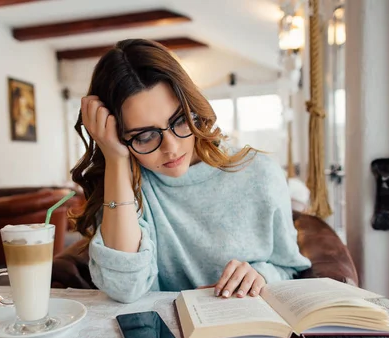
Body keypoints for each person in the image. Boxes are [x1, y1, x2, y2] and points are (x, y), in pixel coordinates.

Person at [71, 39, 311, 304]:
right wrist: (115, 159)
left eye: (180, 120)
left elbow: (290, 269)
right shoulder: (126, 186)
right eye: (145, 136)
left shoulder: (260, 173)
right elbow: (124, 288)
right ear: (117, 136)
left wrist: (261, 275)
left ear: (193, 107)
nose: (171, 148)